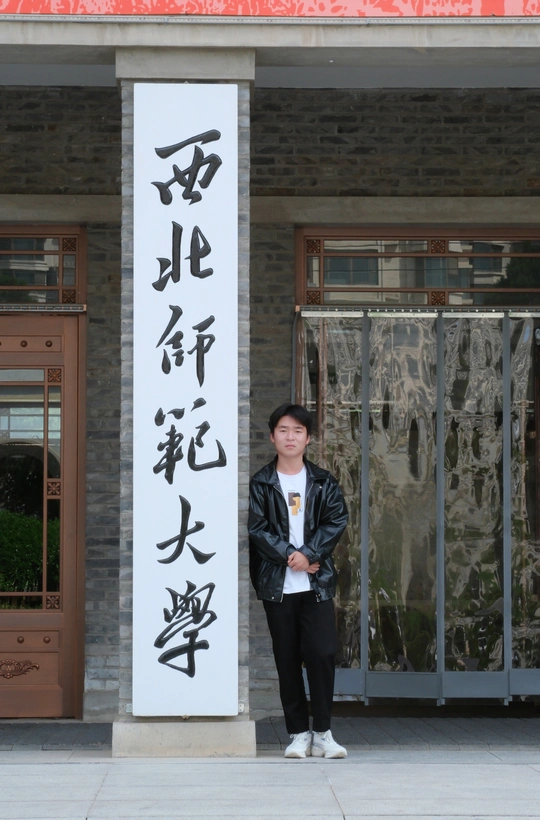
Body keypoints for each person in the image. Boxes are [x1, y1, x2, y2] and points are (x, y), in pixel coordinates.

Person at [248, 403, 349, 759]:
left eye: (298, 431)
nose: (290, 437)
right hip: (278, 585)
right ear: (272, 436)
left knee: (322, 654)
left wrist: (309, 553)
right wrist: (291, 555)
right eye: (283, 430)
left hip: (315, 584)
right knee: (287, 658)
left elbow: (336, 519)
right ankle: (298, 733)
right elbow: (257, 528)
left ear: (308, 439)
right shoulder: (261, 482)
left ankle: (322, 733)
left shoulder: (323, 481)